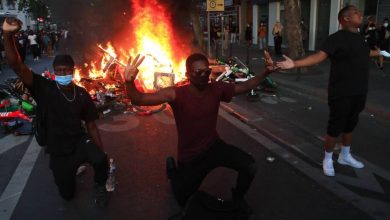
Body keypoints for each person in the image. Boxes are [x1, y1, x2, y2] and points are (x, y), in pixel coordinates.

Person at [124, 52, 277, 214]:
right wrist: (129, 82)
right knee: (182, 199)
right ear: (187, 75)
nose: (204, 75)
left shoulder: (217, 89)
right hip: (190, 157)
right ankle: (173, 171)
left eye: (207, 71)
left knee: (250, 166)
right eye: (198, 72)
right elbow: (139, 99)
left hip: (213, 147)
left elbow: (246, 86)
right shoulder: (176, 94)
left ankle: (238, 199)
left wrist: (266, 71)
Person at [2, 18, 109, 206]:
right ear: (54, 72)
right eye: (59, 71)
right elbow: (17, 66)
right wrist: (8, 35)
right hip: (58, 150)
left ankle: (100, 185)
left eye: (66, 70)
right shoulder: (45, 88)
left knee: (101, 160)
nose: (63, 74)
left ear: (73, 71)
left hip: (78, 141)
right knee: (67, 194)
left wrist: (101, 152)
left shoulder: (82, 94)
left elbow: (91, 125)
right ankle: (67, 174)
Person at [276, 5, 389, 177]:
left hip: (360, 90)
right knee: (335, 127)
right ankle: (327, 159)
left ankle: (345, 155)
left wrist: (381, 52)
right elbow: (319, 57)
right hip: (341, 91)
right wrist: (295, 64)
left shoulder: (360, 38)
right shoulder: (336, 38)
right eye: (356, 13)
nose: (361, 15)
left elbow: (365, 53)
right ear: (346, 19)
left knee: (351, 125)